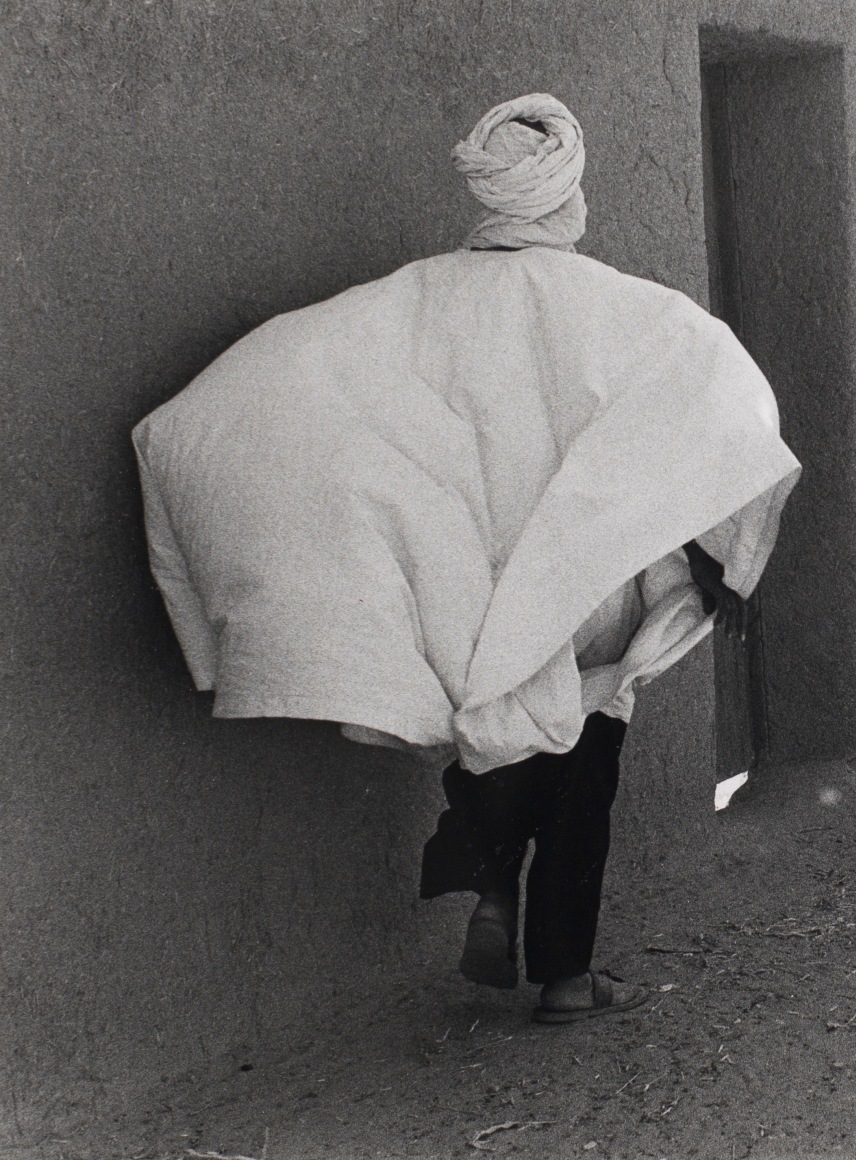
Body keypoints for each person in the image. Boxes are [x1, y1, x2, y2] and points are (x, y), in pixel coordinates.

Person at [133, 94, 801, 1022]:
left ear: (485, 189)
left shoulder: (408, 302)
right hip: (583, 578)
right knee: (585, 747)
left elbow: (263, 391)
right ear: (566, 193)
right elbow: (712, 417)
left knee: (491, 716)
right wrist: (719, 559)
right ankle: (565, 973)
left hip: (466, 575)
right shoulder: (635, 312)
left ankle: (487, 864)